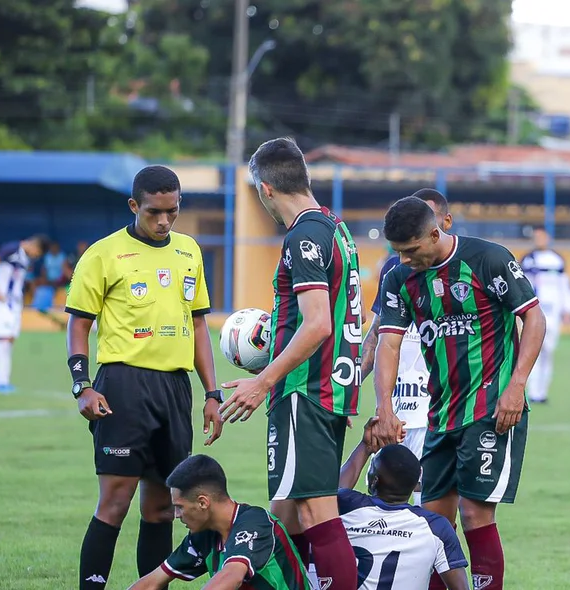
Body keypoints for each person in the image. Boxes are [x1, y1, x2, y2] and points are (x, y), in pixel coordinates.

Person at [370, 195, 546, 590]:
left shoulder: (488, 259)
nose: (405, 260)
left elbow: (533, 317)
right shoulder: (399, 277)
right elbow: (389, 343)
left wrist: (517, 386)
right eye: (397, 252)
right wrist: (385, 406)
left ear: (437, 232)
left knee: (474, 516)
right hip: (441, 413)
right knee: (431, 523)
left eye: (411, 250)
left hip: (492, 407)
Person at [65, 165, 225, 590]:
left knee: (161, 508)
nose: (164, 221)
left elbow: (199, 326)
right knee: (114, 502)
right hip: (123, 387)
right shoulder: (103, 253)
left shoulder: (189, 251)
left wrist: (211, 392)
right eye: (154, 212)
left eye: (172, 211)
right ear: (134, 205)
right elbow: (79, 324)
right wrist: (82, 385)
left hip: (175, 390)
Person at [218, 138, 362, 590]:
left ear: (264, 189)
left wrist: (262, 380)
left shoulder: (303, 234)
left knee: (315, 509)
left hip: (306, 389)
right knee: (286, 510)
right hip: (330, 386)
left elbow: (317, 322)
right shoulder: (335, 228)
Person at [360, 188, 454, 504]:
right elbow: (376, 333)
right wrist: (351, 382)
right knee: (388, 502)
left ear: (442, 224)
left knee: (435, 504)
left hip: (441, 406)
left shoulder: (462, 268)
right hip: (400, 406)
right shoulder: (396, 270)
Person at [127, 454, 312, 590]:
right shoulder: (203, 535)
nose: (176, 515)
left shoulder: (255, 523)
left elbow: (232, 575)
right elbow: (152, 582)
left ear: (202, 502)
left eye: (180, 507)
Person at [335, 428, 470, 590]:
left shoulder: (348, 506)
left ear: (374, 481)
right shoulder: (436, 527)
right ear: (414, 485)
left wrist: (365, 447)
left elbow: (328, 495)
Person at [0, 234, 50, 393]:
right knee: (4, 339)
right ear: (34, 246)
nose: (36, 256)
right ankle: (1, 382)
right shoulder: (12, 249)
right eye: (37, 253)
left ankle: (5, 381)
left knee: (10, 339)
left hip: (14, 304)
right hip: (1, 302)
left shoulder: (25, 258)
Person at [519, 227, 570, 404]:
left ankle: (543, 391)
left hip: (553, 312)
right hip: (535, 312)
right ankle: (533, 391)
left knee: (548, 351)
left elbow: (564, 286)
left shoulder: (557, 260)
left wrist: (566, 309)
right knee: (533, 350)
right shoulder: (528, 259)